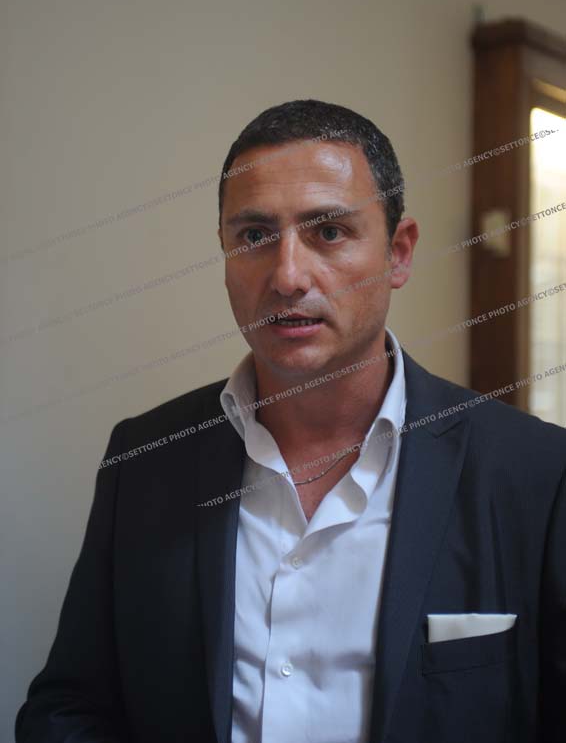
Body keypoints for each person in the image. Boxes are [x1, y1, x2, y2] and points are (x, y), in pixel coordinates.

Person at [15, 99, 566, 743]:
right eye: (255, 236)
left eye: (328, 232)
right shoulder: (146, 457)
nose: (287, 276)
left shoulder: (535, 472)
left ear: (398, 253)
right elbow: (70, 706)